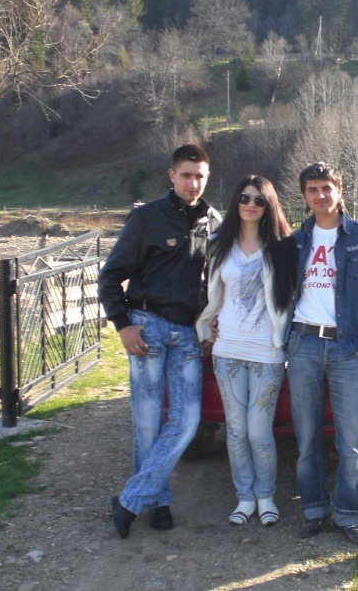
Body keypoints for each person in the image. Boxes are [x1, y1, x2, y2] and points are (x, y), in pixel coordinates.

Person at [98, 143, 222, 538]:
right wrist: (122, 324)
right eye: (186, 175)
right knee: (148, 420)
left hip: (187, 334)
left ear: (207, 177)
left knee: (186, 420)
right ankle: (158, 501)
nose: (193, 183)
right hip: (147, 326)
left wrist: (209, 321)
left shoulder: (214, 222)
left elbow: (217, 282)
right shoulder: (146, 218)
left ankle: (130, 499)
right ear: (172, 175)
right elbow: (110, 276)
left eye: (199, 176)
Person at [286, 162, 358, 546]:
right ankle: (314, 510)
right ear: (304, 196)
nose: (320, 195)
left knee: (353, 441)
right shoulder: (296, 241)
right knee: (306, 439)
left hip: (347, 349)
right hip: (303, 345)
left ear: (339, 191)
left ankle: (348, 514)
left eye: (326, 188)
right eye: (312, 189)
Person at [195, 175, 296, 528]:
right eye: (244, 197)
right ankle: (245, 497)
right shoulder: (218, 244)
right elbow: (210, 291)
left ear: (269, 206)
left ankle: (266, 496)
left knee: (258, 432)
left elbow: (294, 297)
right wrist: (206, 324)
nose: (251, 205)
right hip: (228, 351)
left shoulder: (283, 246)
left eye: (259, 200)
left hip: (267, 352)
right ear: (235, 202)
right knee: (236, 431)